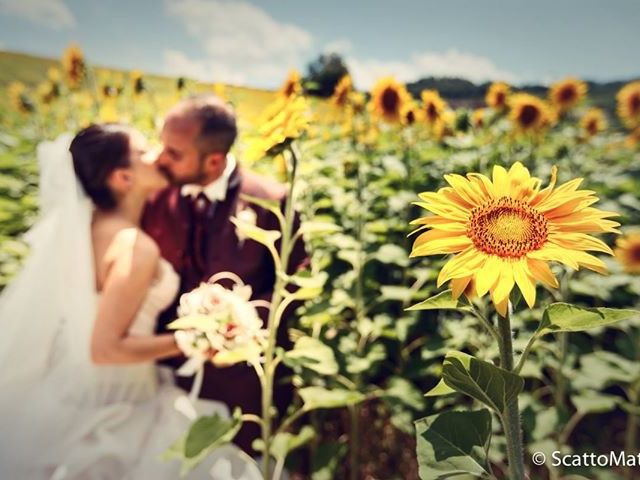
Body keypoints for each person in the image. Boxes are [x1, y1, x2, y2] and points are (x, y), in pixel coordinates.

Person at [0, 124, 261, 479]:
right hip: (115, 400)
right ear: (124, 177)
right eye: (143, 152)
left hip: (69, 387)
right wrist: (199, 338)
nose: (157, 155)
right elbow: (104, 349)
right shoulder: (134, 247)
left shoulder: (82, 228)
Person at [143, 95, 308, 456]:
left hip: (240, 383)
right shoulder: (156, 195)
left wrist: (239, 326)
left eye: (174, 152)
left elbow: (295, 278)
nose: (160, 158)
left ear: (213, 160)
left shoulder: (271, 200)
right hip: (165, 376)